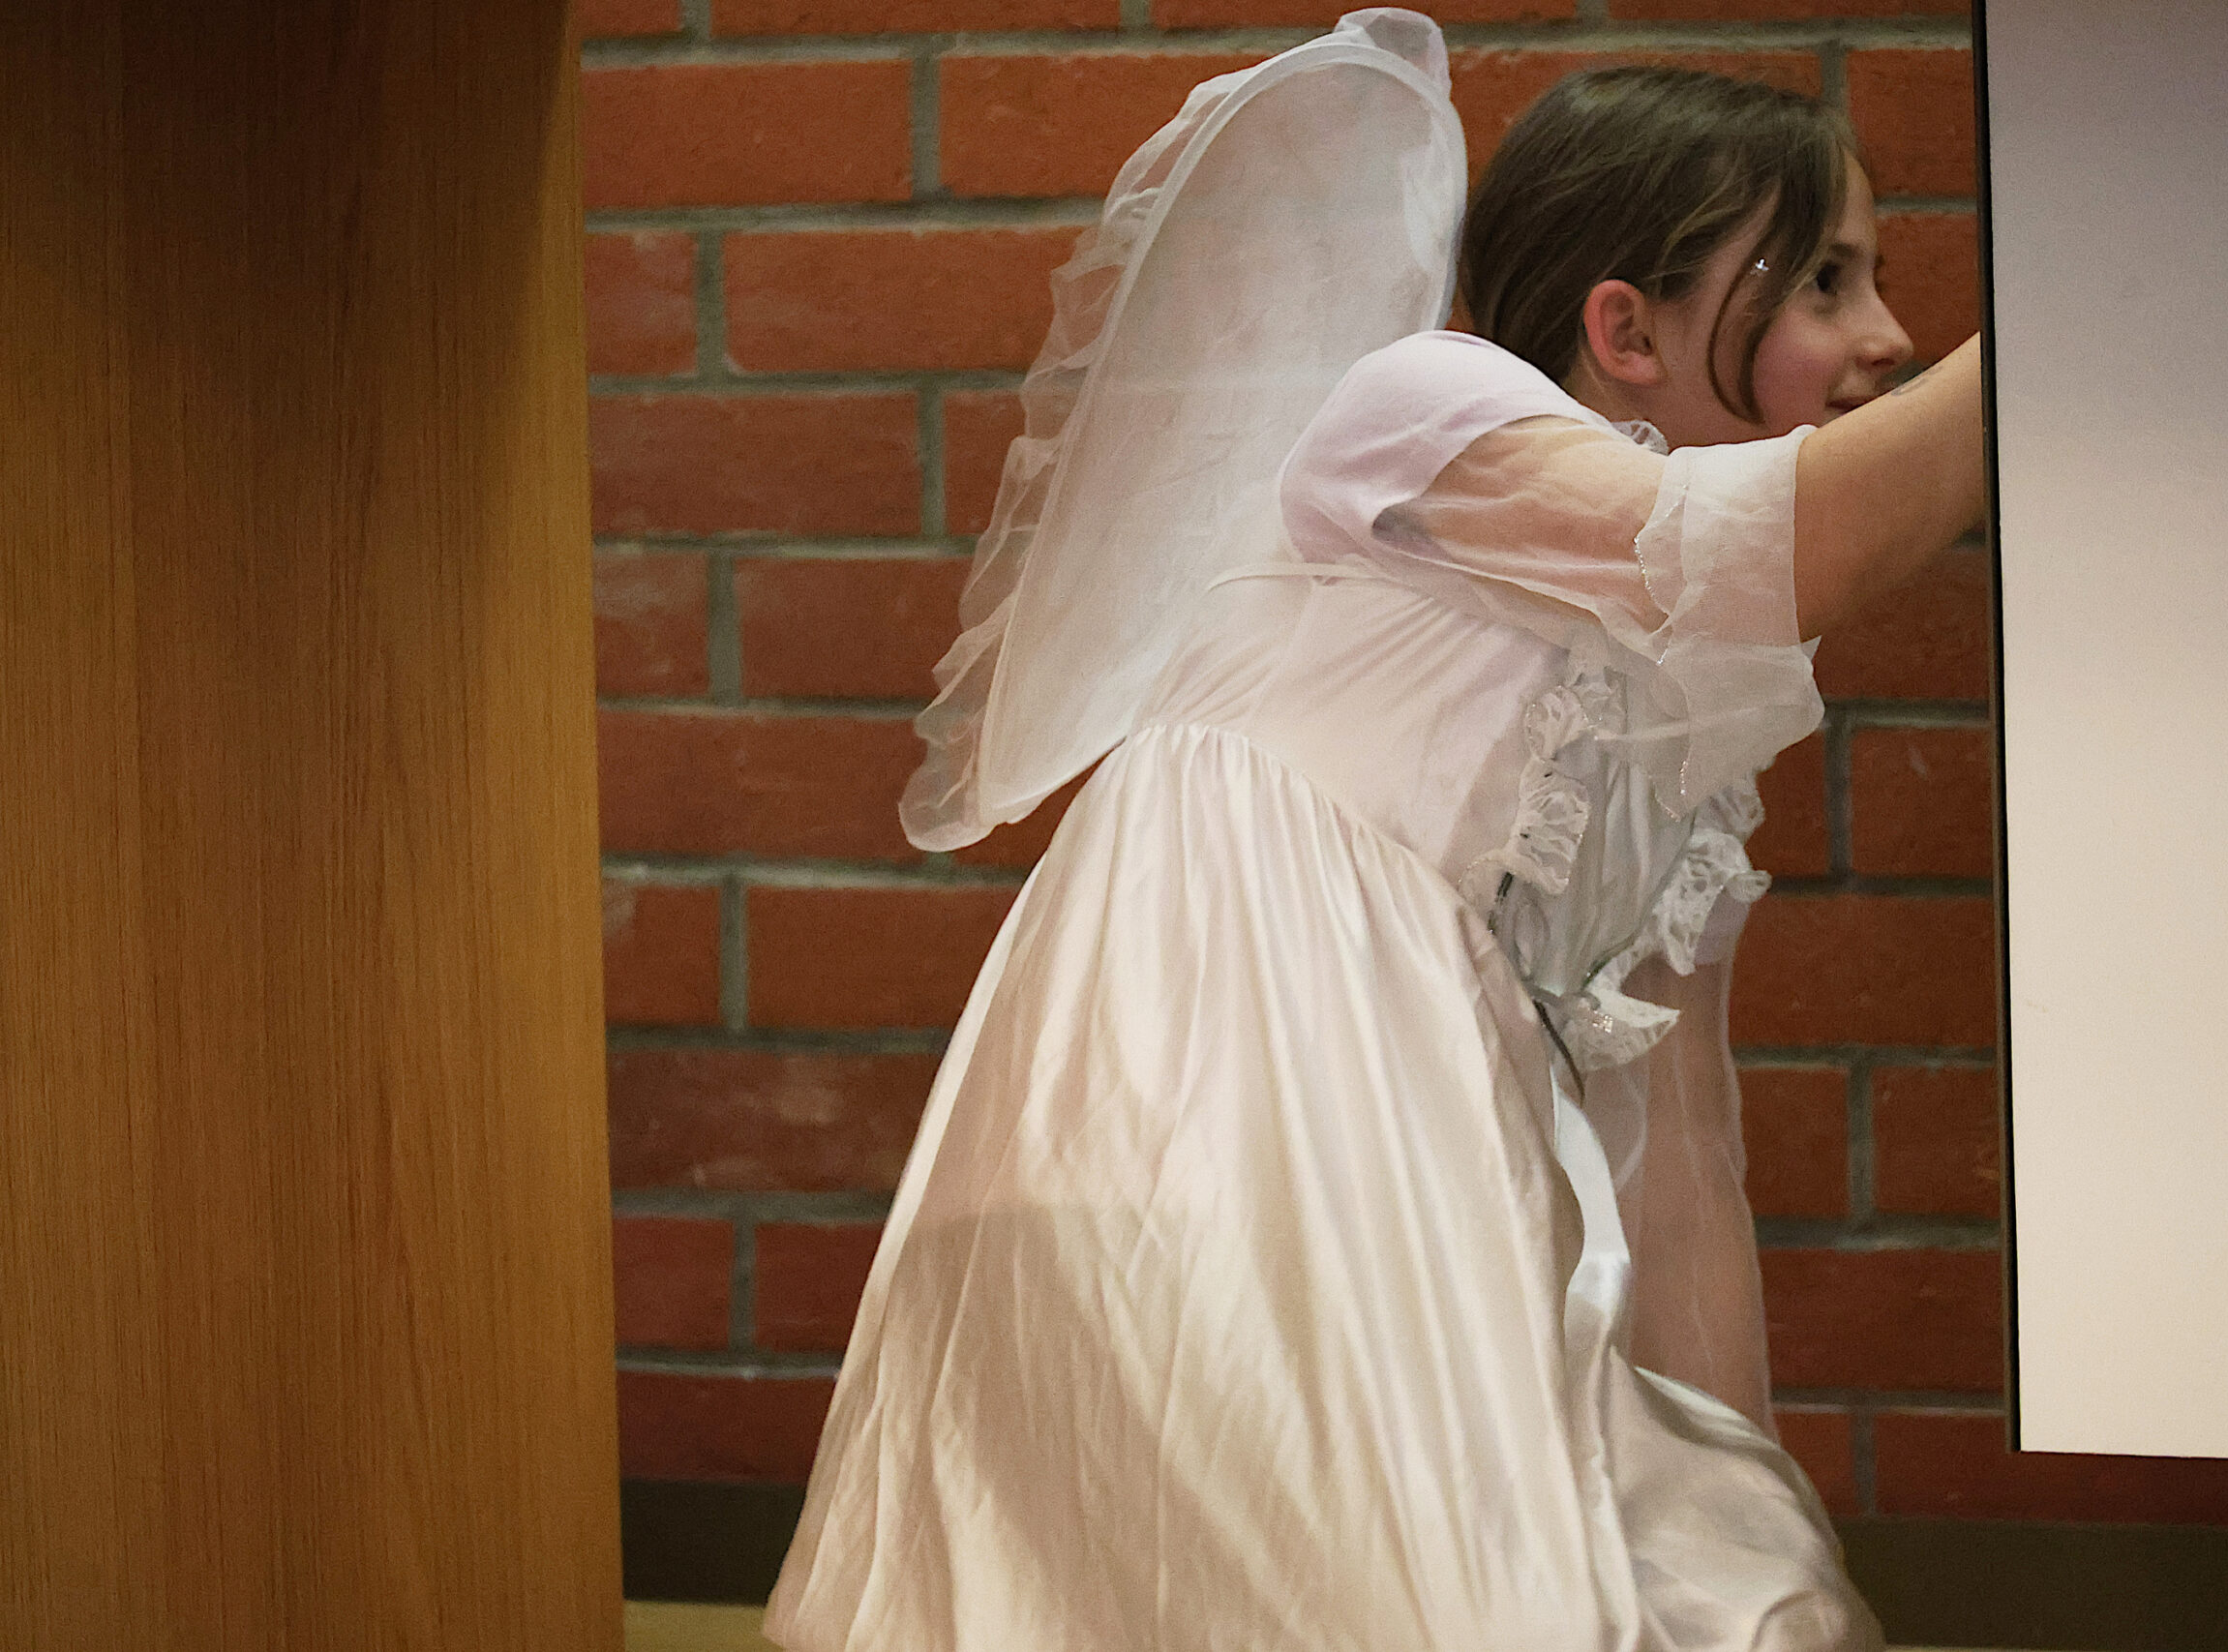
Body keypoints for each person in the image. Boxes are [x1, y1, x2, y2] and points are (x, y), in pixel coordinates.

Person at [764, 13, 1979, 1650]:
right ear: (1624, 328)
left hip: (1419, 1133)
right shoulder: (1427, 404)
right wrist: (2067, 334)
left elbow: (1685, 1162)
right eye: (1823, 280)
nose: (1889, 334)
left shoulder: (1692, 710)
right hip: (1215, 1073)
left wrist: (1751, 1490)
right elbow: (1752, 548)